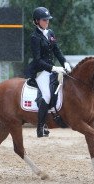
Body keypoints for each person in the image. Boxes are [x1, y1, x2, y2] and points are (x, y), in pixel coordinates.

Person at [26, 7, 71, 138]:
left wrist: (65, 63)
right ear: (36, 21)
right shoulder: (34, 37)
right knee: (46, 95)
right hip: (40, 71)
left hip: (52, 69)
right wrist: (54, 68)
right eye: (44, 20)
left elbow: (57, 50)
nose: (47, 22)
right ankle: (40, 127)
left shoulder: (50, 32)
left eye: (48, 20)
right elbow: (38, 60)